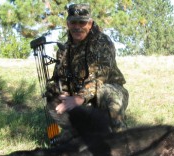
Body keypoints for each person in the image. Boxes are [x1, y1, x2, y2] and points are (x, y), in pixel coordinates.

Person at [49, 3, 129, 138]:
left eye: (82, 22)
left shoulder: (102, 42)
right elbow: (59, 79)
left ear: (90, 23)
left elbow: (100, 76)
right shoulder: (63, 51)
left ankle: (122, 140)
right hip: (80, 101)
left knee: (108, 93)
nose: (78, 27)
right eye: (74, 22)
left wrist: (80, 97)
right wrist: (59, 92)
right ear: (68, 24)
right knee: (64, 143)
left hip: (105, 94)